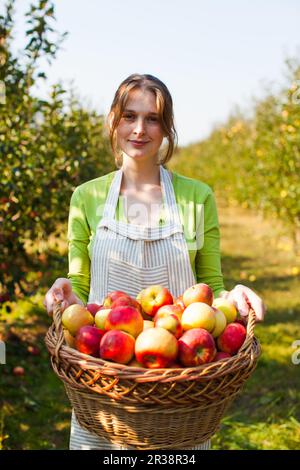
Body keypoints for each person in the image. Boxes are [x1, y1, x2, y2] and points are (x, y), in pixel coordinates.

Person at [44, 73, 266, 450]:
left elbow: (210, 285)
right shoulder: (86, 197)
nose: (139, 129)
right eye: (130, 116)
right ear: (114, 121)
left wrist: (236, 296)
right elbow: (82, 289)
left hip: (179, 387)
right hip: (105, 383)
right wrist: (65, 294)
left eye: (152, 119)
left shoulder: (196, 197)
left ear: (167, 128)